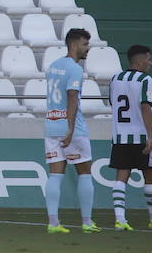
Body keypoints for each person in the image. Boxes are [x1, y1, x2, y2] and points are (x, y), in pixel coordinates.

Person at [44, 28, 97, 235]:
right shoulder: (74, 69)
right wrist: (71, 128)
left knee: (55, 175)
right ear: (74, 44)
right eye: (85, 44)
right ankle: (86, 222)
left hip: (51, 124)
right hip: (71, 129)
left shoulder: (53, 66)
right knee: (84, 173)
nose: (87, 48)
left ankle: (53, 223)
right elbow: (72, 97)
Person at [108, 44, 152, 232]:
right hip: (141, 135)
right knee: (149, 176)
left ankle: (120, 219)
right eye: (149, 59)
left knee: (121, 176)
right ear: (140, 61)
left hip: (120, 136)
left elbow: (112, 103)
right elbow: (145, 107)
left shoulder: (115, 79)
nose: (150, 63)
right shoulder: (146, 80)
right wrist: (151, 136)